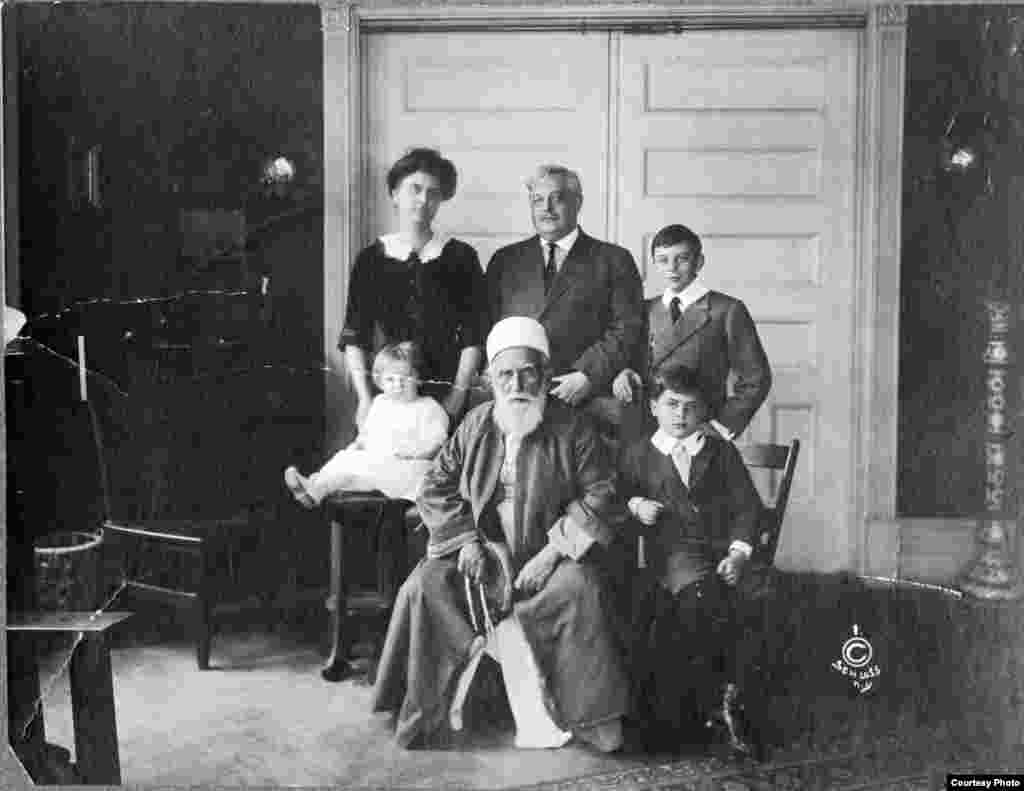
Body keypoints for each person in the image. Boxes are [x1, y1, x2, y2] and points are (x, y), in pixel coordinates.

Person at [371, 317, 629, 751]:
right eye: (505, 375)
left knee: (580, 589)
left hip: (550, 554)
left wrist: (551, 554)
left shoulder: (574, 428)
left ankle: (587, 716)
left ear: (545, 375)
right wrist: (466, 540)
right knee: (423, 585)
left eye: (527, 373)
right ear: (491, 379)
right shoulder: (476, 423)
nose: (517, 385)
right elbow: (435, 485)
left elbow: (601, 494)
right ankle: (425, 709)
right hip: (483, 553)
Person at [617, 365, 763, 755]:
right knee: (688, 601)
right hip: (668, 555)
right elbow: (615, 496)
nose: (681, 415)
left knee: (728, 601)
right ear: (653, 407)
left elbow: (748, 508)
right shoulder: (639, 454)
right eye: (672, 404)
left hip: (718, 552)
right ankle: (681, 714)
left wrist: (738, 553)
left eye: (690, 406)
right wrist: (635, 505)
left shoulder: (720, 452)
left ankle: (721, 703)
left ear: (704, 411)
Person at [339, 147, 488, 428]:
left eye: (433, 193)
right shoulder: (371, 259)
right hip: (387, 392)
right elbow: (355, 335)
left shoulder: (460, 257)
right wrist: (364, 399)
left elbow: (474, 335)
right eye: (415, 189)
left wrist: (457, 397)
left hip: (444, 394)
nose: (423, 200)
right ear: (395, 193)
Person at [486, 165, 644, 407]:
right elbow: (489, 324)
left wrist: (587, 375)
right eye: (538, 200)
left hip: (585, 396)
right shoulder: (505, 260)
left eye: (557, 199)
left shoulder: (614, 259)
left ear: (577, 203)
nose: (546, 209)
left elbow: (627, 327)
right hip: (516, 394)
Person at [613, 224, 771, 441]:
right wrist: (625, 372)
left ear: (699, 262)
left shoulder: (726, 310)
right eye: (663, 260)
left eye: (682, 259)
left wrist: (721, 426)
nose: (672, 268)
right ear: (654, 264)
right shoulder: (645, 309)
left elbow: (756, 378)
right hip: (647, 431)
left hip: (699, 429)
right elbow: (633, 359)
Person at [284, 342, 448, 505]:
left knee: (409, 472)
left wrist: (415, 455)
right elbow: (367, 435)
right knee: (344, 460)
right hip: (377, 465)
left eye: (405, 379)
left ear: (418, 379)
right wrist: (357, 445)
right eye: (390, 379)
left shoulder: (429, 407)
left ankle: (317, 488)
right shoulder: (380, 403)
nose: (398, 385)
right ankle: (313, 491)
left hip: (408, 466)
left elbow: (437, 443)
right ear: (380, 382)